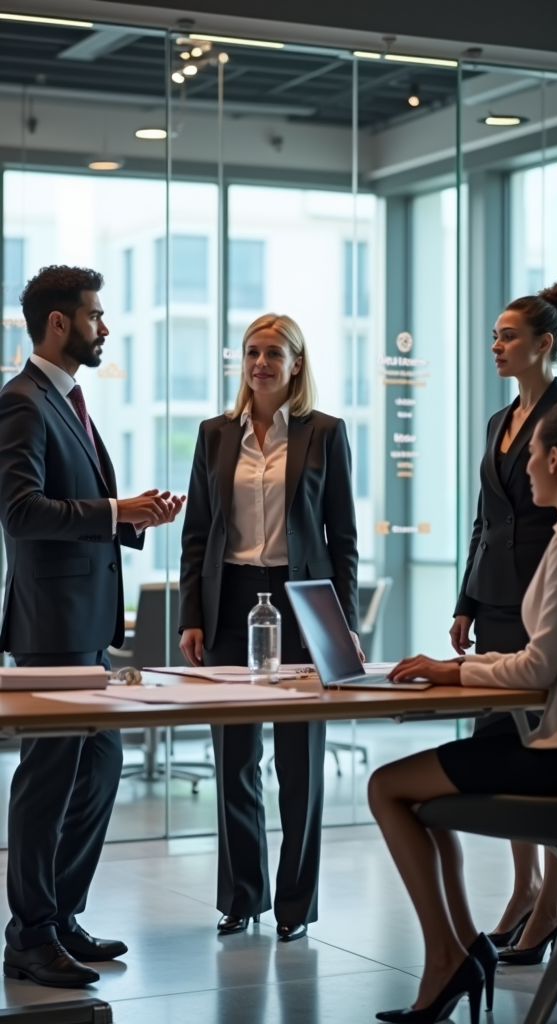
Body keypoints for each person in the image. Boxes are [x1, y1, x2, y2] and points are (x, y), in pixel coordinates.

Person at [0, 265, 185, 988]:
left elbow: (73, 503)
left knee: (98, 764)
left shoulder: (65, 401)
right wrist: (115, 512)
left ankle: (60, 915)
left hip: (83, 621)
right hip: (51, 627)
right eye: (95, 315)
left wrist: (130, 515)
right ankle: (30, 934)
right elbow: (19, 512)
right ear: (58, 324)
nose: (104, 327)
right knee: (48, 781)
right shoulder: (22, 404)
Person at [368, 398, 557, 1024]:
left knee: (386, 787)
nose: (526, 467)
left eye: (533, 455)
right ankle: (460, 951)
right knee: (417, 796)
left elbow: (537, 667)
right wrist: (457, 667)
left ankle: (448, 959)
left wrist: (454, 668)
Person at [179, 313, 361, 942]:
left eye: (274, 354)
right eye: (253, 353)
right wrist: (192, 616)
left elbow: (344, 541)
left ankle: (295, 907)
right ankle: (242, 897)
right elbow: (197, 534)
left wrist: (347, 624)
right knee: (233, 761)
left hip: (304, 603)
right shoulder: (214, 434)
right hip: (230, 600)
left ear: (296, 364)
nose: (261, 363)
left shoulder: (325, 434)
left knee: (300, 764)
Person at [451, 282, 557, 963]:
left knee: (540, 739)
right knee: (501, 736)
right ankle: (524, 886)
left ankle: (551, 903)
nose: (496, 346)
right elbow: (484, 517)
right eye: (494, 336)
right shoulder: (499, 418)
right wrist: (465, 602)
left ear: (544, 343)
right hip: (495, 596)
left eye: (507, 336)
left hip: (547, 591)